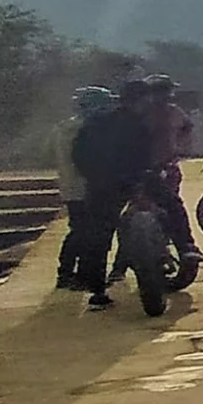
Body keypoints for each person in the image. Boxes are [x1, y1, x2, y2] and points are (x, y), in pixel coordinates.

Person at [70, 81, 157, 310]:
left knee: (98, 237)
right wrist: (141, 179)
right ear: (140, 100)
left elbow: (78, 155)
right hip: (131, 182)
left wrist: (93, 176)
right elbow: (145, 157)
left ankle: (97, 292)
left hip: (99, 186)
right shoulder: (137, 125)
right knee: (172, 205)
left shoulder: (94, 124)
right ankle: (186, 247)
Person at [51, 86, 118, 291]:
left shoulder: (66, 127)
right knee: (82, 233)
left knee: (81, 232)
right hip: (84, 187)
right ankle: (69, 274)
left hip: (73, 187)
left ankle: (75, 274)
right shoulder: (82, 128)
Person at [137, 74, 203, 264]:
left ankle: (185, 246)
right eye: (160, 91)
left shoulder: (173, 112)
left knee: (172, 206)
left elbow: (187, 128)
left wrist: (181, 148)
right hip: (140, 170)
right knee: (137, 214)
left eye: (166, 91)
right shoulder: (140, 113)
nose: (165, 95)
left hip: (166, 168)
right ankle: (122, 264)